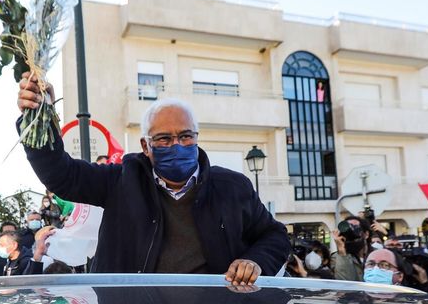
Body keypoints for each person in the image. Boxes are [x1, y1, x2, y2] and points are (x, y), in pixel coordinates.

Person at [17, 77, 289, 285]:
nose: (177, 145)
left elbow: (275, 235)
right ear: (146, 146)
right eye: (164, 139)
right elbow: (62, 175)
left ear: (196, 137)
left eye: (185, 136)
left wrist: (254, 261)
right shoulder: (120, 181)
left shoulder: (233, 188)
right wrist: (39, 119)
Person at [332, 216, 371, 282]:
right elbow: (345, 284)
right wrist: (342, 252)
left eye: (355, 227)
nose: (351, 232)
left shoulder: (377, 255)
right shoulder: (336, 258)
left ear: (366, 234)